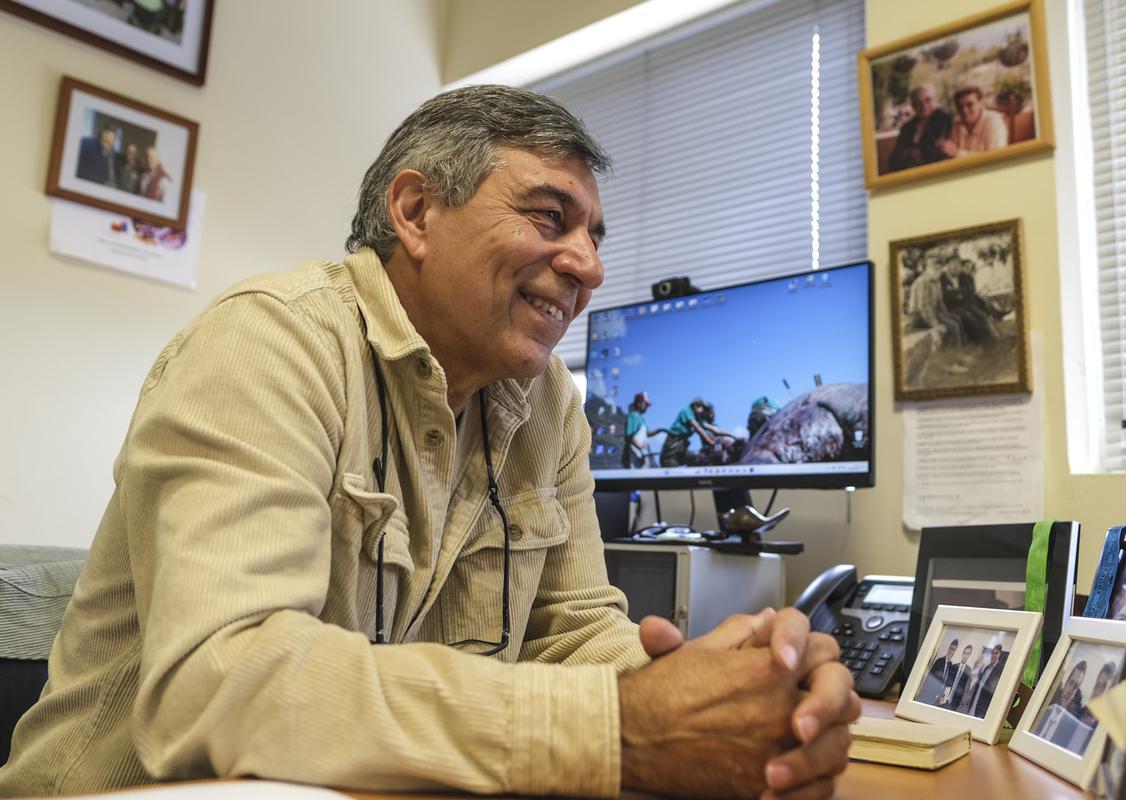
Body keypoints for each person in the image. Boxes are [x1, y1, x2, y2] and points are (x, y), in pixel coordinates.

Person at [0, 86, 858, 800]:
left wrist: (724, 689)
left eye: (595, 236)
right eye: (550, 217)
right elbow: (221, 688)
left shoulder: (549, 402)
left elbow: (573, 635)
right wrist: (624, 727)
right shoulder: (268, 343)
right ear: (414, 211)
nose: (590, 265)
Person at [887, 84, 952, 172]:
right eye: (918, 103)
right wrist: (908, 154)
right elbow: (893, 160)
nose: (924, 106)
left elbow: (942, 151)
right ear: (913, 106)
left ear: (935, 100)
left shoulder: (945, 120)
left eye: (928, 100)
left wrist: (920, 154)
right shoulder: (907, 127)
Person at [660, 397, 732, 467]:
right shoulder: (687, 411)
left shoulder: (697, 418)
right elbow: (698, 428)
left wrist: (731, 436)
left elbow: (714, 429)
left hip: (681, 448)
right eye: (703, 409)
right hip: (672, 448)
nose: (705, 412)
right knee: (673, 466)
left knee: (697, 459)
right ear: (696, 406)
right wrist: (711, 442)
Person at [939, 85, 1008, 158]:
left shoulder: (994, 121)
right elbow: (951, 153)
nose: (964, 110)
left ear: (980, 103)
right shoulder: (957, 123)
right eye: (960, 107)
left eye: (970, 105)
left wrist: (958, 153)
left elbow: (995, 157)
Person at [907, 261, 963, 349]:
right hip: (918, 316)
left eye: (940, 269)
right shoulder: (923, 282)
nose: (938, 271)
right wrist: (935, 324)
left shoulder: (936, 281)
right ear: (927, 269)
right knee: (952, 326)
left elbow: (940, 302)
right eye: (935, 269)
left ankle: (957, 348)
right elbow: (924, 307)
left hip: (931, 312)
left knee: (957, 318)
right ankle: (954, 354)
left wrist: (946, 314)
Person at [621, 391, 663, 468]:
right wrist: (640, 447)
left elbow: (648, 433)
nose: (647, 407)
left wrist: (660, 430)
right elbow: (629, 435)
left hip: (640, 454)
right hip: (633, 453)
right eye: (645, 404)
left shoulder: (641, 418)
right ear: (639, 403)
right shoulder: (633, 416)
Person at [964, 643, 1005, 719]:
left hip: (982, 712)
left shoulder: (1001, 671)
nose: (994, 655)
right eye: (993, 653)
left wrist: (985, 713)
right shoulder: (986, 668)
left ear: (1000, 654)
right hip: (972, 708)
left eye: (996, 653)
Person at [1079, 661, 1117, 729]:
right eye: (1097, 685)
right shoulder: (1079, 712)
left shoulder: (1105, 728)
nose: (1097, 692)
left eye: (1103, 686)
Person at [920, 638, 958, 705]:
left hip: (939, 699)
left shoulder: (951, 665)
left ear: (955, 652)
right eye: (951, 648)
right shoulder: (939, 661)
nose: (951, 651)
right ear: (948, 648)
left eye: (954, 650)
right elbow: (929, 679)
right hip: (929, 695)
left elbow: (946, 683)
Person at [940, 643, 973, 709]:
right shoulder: (954, 666)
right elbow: (946, 683)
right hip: (945, 700)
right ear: (962, 653)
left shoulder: (969, 672)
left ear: (969, 655)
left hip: (955, 704)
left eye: (967, 654)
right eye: (965, 653)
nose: (965, 656)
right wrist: (942, 697)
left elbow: (965, 691)